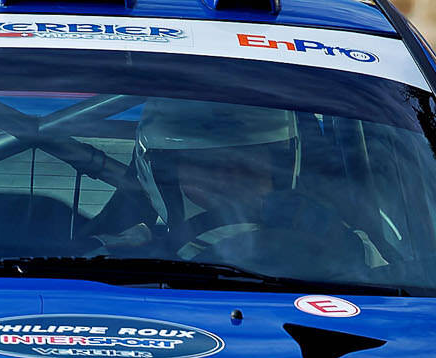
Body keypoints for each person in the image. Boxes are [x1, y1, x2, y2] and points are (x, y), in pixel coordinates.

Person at [94, 98, 371, 275]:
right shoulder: (114, 262)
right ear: (158, 174)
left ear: (283, 168)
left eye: (248, 165)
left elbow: (383, 282)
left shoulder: (344, 241)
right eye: (208, 167)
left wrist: (339, 243)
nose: (228, 182)